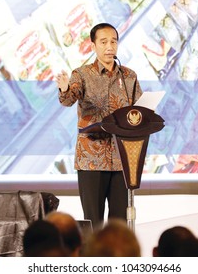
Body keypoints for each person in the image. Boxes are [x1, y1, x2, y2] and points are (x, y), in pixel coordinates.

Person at [56, 22, 143, 228]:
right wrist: (64, 88)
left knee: (119, 225)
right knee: (93, 223)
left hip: (122, 159)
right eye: (103, 42)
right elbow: (69, 99)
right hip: (91, 160)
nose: (109, 47)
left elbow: (138, 110)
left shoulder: (129, 76)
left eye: (113, 41)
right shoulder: (82, 74)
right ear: (93, 45)